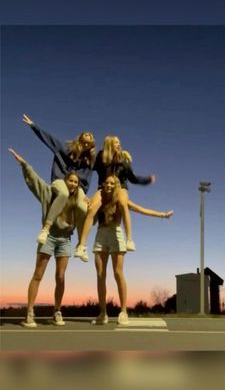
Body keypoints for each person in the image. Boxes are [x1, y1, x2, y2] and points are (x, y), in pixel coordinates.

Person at [8, 148, 81, 328]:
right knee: (38, 274)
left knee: (61, 276)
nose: (73, 184)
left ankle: (57, 311)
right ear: (64, 182)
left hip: (65, 239)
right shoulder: (49, 193)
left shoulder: (77, 200)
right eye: (70, 181)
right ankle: (30, 312)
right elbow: (35, 180)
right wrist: (24, 164)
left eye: (76, 182)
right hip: (48, 237)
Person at [90, 175, 173, 326]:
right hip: (101, 235)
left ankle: (123, 312)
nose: (109, 185)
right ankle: (103, 313)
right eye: (107, 182)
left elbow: (141, 210)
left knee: (117, 273)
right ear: (103, 184)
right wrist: (88, 206)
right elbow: (93, 220)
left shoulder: (121, 200)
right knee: (100, 275)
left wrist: (162, 215)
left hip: (116, 234)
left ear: (117, 186)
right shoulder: (99, 199)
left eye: (112, 183)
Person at [21, 114, 96, 261]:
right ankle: (46, 229)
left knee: (83, 207)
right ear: (79, 139)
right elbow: (48, 139)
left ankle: (81, 246)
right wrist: (33, 126)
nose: (86, 143)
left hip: (76, 187)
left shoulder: (88, 162)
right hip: (59, 181)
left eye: (89, 142)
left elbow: (87, 179)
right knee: (63, 192)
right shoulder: (65, 148)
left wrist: (84, 194)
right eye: (85, 139)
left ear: (90, 146)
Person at [76, 135, 156, 259]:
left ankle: (129, 240)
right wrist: (84, 191)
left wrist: (146, 180)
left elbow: (132, 178)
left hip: (121, 187)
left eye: (119, 142)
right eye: (116, 143)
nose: (119, 144)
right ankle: (82, 246)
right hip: (104, 186)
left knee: (123, 203)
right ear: (109, 144)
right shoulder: (101, 156)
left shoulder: (123, 158)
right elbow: (89, 171)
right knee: (91, 209)